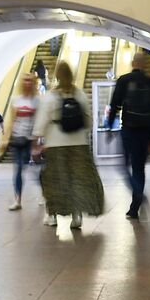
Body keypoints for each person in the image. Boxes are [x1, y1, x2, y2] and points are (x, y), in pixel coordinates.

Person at [37, 61, 105, 229]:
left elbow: (41, 122)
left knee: (55, 181)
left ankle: (53, 216)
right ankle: (77, 216)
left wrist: (36, 140)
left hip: (55, 145)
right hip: (78, 145)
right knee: (77, 181)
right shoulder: (80, 94)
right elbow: (88, 121)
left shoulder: (50, 96)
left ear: (57, 76)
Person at [106, 49, 150, 218]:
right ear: (144, 64)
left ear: (133, 63)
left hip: (128, 128)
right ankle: (135, 204)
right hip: (145, 131)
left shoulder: (124, 80)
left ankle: (137, 194)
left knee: (123, 166)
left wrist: (108, 127)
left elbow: (114, 105)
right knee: (139, 168)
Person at [7, 74, 40, 210]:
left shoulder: (37, 101)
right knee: (19, 168)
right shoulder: (16, 100)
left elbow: (37, 122)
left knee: (35, 169)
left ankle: (43, 193)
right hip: (18, 139)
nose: (27, 83)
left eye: (30, 81)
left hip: (30, 140)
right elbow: (13, 120)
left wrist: (35, 142)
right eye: (25, 80)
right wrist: (7, 138)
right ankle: (18, 200)